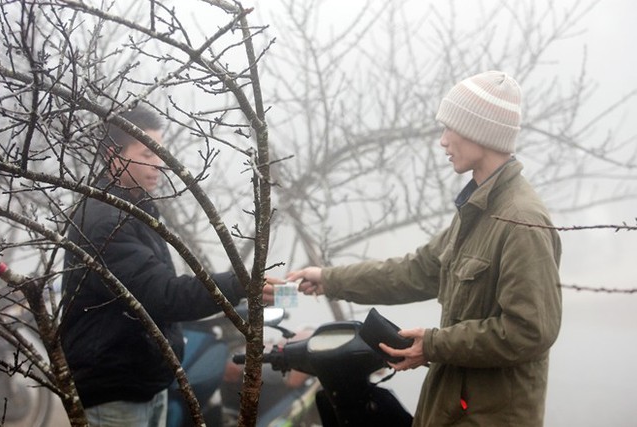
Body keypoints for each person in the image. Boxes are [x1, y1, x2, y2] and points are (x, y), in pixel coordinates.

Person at [267, 71, 562, 426]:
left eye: (449, 127)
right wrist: (328, 279)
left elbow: (529, 332)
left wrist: (433, 345)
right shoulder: (476, 212)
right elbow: (415, 271)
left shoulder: (521, 220)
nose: (442, 140)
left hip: (490, 417)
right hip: (453, 406)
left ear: (478, 132)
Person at [61, 106, 252, 427]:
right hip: (116, 391)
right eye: (147, 153)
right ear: (113, 155)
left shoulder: (134, 211)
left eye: (160, 153)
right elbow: (163, 295)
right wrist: (239, 284)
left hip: (144, 380)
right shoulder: (105, 222)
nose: (159, 163)